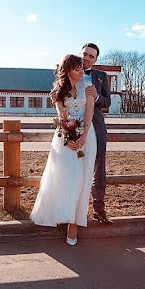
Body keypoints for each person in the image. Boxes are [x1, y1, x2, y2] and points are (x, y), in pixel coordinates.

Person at [31, 54, 98, 245]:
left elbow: (90, 113)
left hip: (87, 135)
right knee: (69, 177)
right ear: (68, 70)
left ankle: (74, 223)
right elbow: (61, 116)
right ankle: (62, 213)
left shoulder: (88, 88)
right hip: (65, 136)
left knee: (82, 179)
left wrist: (84, 135)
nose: (81, 70)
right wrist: (68, 138)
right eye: (77, 68)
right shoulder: (58, 90)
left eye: (81, 68)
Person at [51, 43, 112, 224]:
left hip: (95, 127)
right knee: (70, 169)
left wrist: (98, 97)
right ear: (80, 54)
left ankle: (98, 209)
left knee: (98, 168)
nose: (86, 58)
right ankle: (69, 211)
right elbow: (59, 93)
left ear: (95, 60)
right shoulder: (68, 70)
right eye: (85, 54)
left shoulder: (101, 77)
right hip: (71, 125)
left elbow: (108, 101)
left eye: (91, 56)